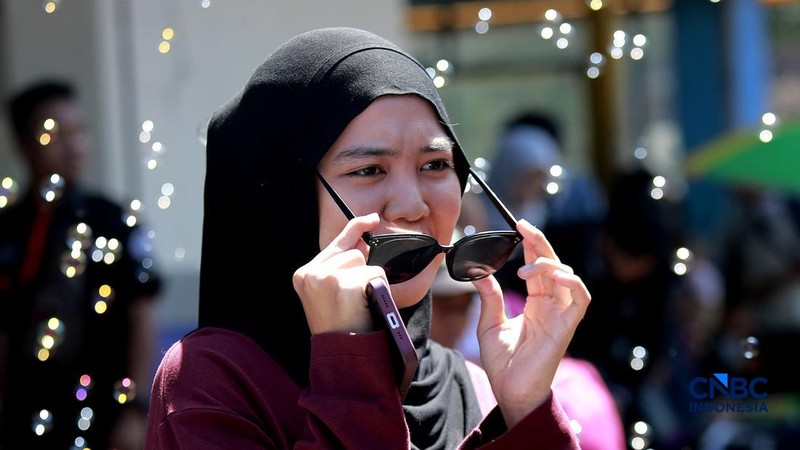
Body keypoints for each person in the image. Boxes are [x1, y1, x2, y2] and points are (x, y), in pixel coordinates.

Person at [145, 27, 591, 449]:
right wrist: (349, 363)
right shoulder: (209, 381)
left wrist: (525, 412)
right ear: (284, 198)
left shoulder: (471, 384)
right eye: (368, 170)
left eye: (435, 165)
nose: (413, 205)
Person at [0, 79, 163, 449]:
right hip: (25, 413)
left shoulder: (112, 221)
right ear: (23, 146)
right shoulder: (10, 230)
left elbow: (142, 313)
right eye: (55, 134)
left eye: (79, 132)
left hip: (104, 410)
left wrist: (134, 410)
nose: (73, 147)